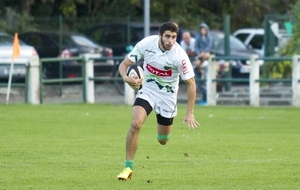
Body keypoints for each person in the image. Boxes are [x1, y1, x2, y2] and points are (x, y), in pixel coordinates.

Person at [117, 22, 200, 180]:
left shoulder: (179, 55)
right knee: (136, 124)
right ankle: (128, 167)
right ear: (160, 35)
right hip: (147, 90)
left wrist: (190, 113)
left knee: (163, 140)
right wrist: (126, 78)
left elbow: (191, 84)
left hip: (167, 98)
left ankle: (162, 132)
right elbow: (125, 64)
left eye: (174, 37)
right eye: (167, 36)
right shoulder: (146, 44)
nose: (171, 41)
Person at [194, 23, 212, 105]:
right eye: (202, 29)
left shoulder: (209, 38)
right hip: (200, 55)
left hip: (206, 55)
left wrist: (204, 52)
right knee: (197, 62)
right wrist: (199, 53)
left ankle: (201, 68)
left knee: (207, 55)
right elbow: (196, 47)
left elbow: (209, 47)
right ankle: (200, 70)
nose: (203, 31)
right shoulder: (198, 38)